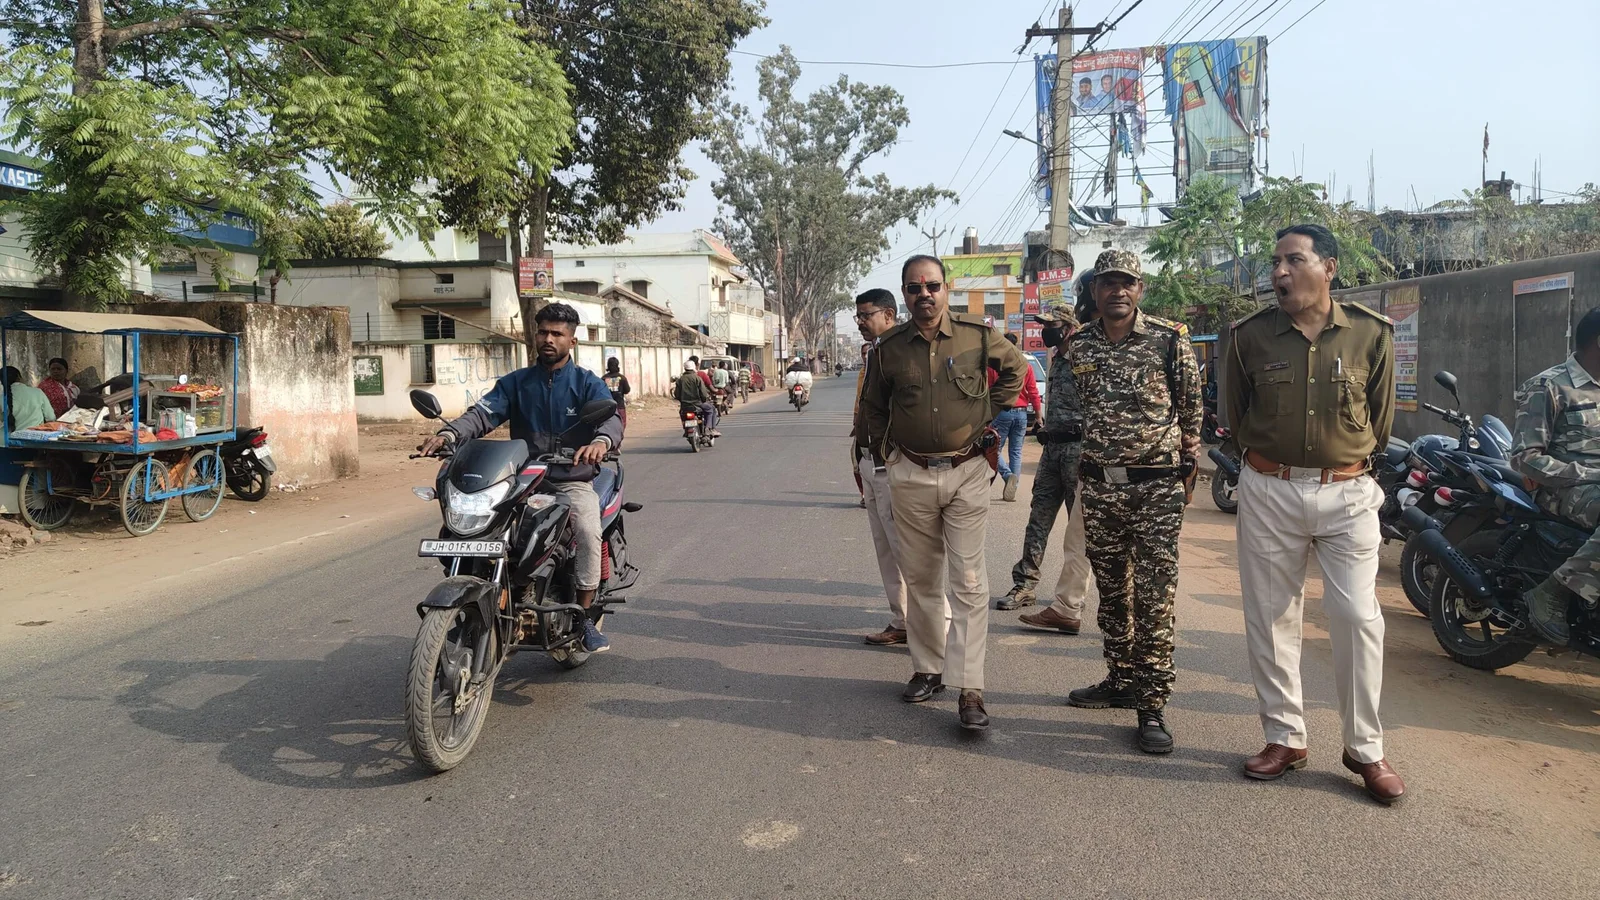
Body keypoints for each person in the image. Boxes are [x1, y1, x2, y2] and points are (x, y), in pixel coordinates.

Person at [1226, 224, 1403, 805]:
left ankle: (1365, 748)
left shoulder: (1371, 336)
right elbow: (1233, 411)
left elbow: (1379, 421)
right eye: (1274, 261)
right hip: (1268, 487)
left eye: (1292, 260)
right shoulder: (1247, 337)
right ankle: (1285, 737)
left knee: (1357, 616)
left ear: (1328, 267)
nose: (1278, 271)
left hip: (1348, 493)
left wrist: (1339, 463)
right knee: (1271, 616)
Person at [861, 254, 1028, 731]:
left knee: (970, 582)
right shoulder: (889, 347)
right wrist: (887, 454)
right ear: (905, 293)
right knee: (922, 579)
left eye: (932, 286)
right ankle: (928, 669)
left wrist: (985, 416)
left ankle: (970, 688)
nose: (924, 295)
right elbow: (874, 406)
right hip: (910, 474)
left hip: (967, 471)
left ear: (946, 289)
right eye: (914, 288)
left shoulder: (976, 335)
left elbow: (1014, 371)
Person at [416, 303, 622, 653]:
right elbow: (481, 415)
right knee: (467, 529)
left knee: (587, 529)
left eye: (557, 334)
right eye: (543, 332)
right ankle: (477, 604)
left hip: (569, 477)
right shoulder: (516, 384)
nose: (548, 339)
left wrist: (600, 442)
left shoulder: (586, 384)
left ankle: (585, 616)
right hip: (521, 479)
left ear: (571, 340)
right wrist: (449, 434)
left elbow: (611, 419)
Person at [1065, 250, 1200, 755]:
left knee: (1154, 595)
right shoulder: (1081, 346)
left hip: (1156, 488)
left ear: (1140, 289)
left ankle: (1152, 703)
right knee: (1112, 591)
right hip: (1101, 487)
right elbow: (1082, 411)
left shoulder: (1169, 340)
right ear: (1095, 290)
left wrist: (1188, 468)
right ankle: (1120, 677)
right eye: (1107, 283)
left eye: (1127, 283)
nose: (1117, 291)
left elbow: (1191, 409)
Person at [853, 288, 952, 647]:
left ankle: (940, 632)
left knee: (913, 554)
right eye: (859, 316)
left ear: (889, 315)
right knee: (888, 552)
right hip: (870, 462)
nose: (862, 322)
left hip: (895, 466)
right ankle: (903, 620)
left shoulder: (904, 353)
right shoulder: (875, 353)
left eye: (867, 315)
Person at [997, 294, 1096, 634]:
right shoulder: (1056, 357)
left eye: (1050, 326)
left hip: (1079, 453)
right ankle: (1025, 584)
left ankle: (1077, 601)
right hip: (1053, 452)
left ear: (1068, 328)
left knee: (1081, 531)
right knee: (1037, 519)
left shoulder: (1086, 356)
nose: (1045, 332)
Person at [1512, 306, 1600, 648]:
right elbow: (1526, 459)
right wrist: (1589, 474)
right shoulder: (1550, 386)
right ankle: (1553, 592)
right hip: (1562, 490)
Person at [990, 332, 1042, 502]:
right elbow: (1034, 392)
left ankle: (1007, 476)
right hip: (1021, 413)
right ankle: (1014, 486)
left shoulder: (994, 365)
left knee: (993, 449)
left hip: (1002, 412)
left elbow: (987, 390)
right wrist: (1038, 416)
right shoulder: (1025, 365)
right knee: (1016, 451)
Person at [673, 359, 718, 437]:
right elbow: (703, 393)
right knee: (711, 409)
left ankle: (686, 429)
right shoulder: (697, 378)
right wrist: (704, 400)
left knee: (682, 414)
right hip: (698, 404)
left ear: (685, 368)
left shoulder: (680, 380)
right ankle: (708, 428)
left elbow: (677, 394)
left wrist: (682, 400)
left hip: (685, 405)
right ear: (694, 367)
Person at [3, 366, 55, 433]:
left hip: (10, 439)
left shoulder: (2, 398)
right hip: (36, 438)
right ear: (19, 377)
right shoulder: (37, 392)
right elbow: (51, 418)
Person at [602, 357, 631, 429]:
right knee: (621, 424)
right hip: (619, 406)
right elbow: (627, 390)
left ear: (608, 366)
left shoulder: (603, 378)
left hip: (607, 408)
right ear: (617, 365)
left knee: (608, 426)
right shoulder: (622, 378)